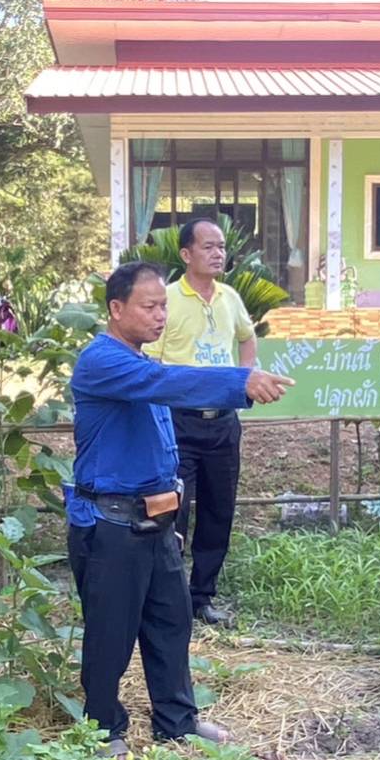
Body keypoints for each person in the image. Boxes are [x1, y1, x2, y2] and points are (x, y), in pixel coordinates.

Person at [68, 261, 292, 758]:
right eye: (149, 306)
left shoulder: (140, 362)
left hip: (155, 520)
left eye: (163, 306)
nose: (160, 315)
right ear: (116, 308)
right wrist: (241, 381)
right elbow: (165, 382)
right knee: (110, 634)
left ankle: (177, 721)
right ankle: (104, 730)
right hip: (111, 523)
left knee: (171, 623)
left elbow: (162, 390)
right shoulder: (104, 361)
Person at [145, 218, 257, 626]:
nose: (217, 254)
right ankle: (169, 600)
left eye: (221, 247)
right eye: (208, 247)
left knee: (219, 511)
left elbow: (247, 336)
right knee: (175, 510)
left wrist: (244, 378)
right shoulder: (168, 300)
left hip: (223, 423)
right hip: (180, 423)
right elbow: (151, 359)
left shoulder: (230, 297)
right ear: (186, 254)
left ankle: (202, 598)